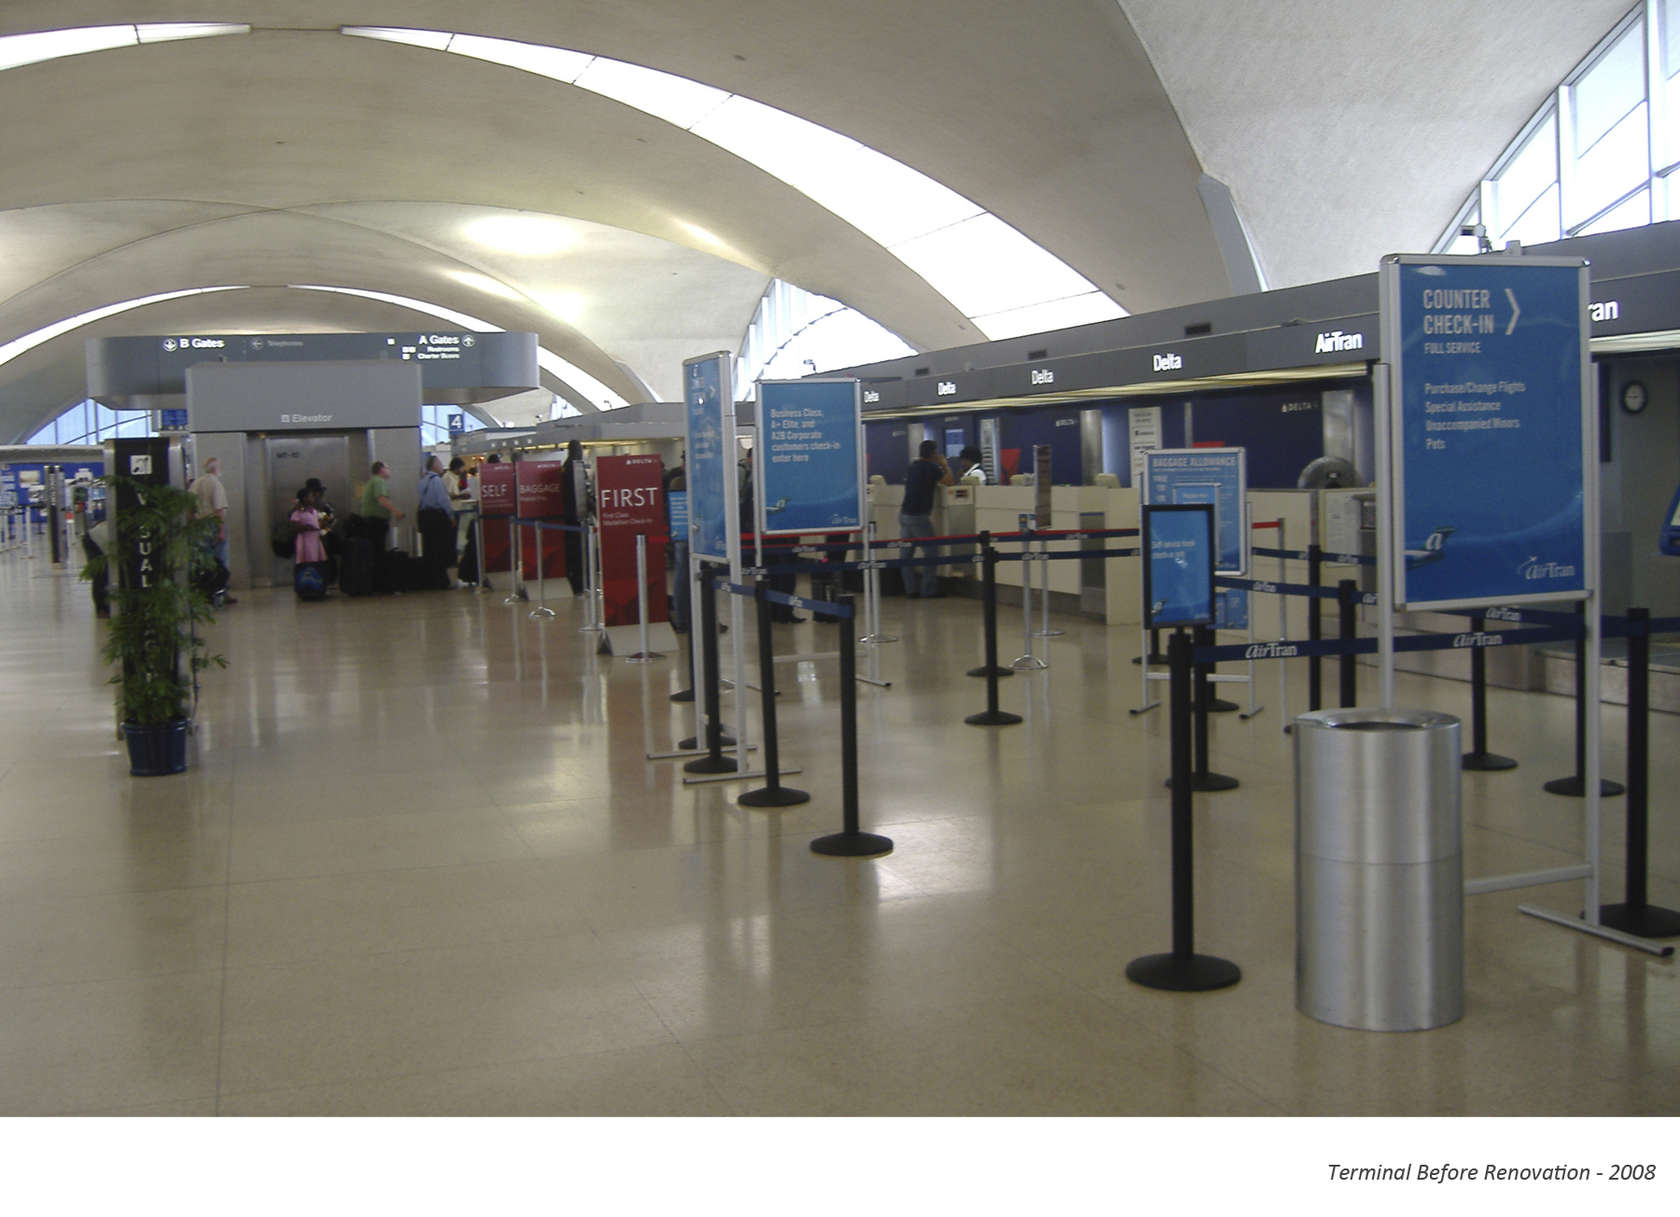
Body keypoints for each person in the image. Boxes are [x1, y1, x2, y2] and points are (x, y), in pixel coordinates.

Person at [899, 439, 953, 597]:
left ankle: (910, 590)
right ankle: (928, 590)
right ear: (933, 453)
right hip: (919, 516)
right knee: (931, 553)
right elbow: (949, 482)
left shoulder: (913, 467)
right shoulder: (932, 468)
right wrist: (944, 464)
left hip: (904, 514)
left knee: (906, 556)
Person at [190, 456, 235, 605]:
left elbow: (190, 508)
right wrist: (221, 530)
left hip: (198, 526)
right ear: (216, 469)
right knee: (220, 561)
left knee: (204, 561)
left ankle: (205, 591)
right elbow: (219, 509)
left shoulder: (195, 483)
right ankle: (221, 592)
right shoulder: (215, 483)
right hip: (213, 525)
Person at [357, 460, 404, 593]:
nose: (389, 470)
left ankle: (375, 583)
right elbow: (381, 499)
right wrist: (396, 512)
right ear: (381, 469)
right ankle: (380, 584)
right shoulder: (378, 481)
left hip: (370, 522)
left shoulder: (372, 481)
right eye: (387, 468)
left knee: (375, 552)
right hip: (376, 522)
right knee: (378, 552)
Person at [417, 454, 456, 590]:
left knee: (430, 549)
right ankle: (441, 580)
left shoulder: (422, 481)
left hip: (425, 518)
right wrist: (451, 516)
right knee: (440, 548)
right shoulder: (436, 480)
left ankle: (431, 579)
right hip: (437, 518)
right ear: (434, 465)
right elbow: (443, 500)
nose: (441, 466)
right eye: (439, 463)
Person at [560, 439, 590, 595]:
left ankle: (580, 582)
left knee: (576, 552)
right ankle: (579, 583)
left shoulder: (567, 467)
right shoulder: (574, 467)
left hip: (572, 517)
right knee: (577, 552)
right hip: (575, 518)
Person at [290, 484, 327, 567]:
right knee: (307, 563)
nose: (314, 498)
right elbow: (294, 526)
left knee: (316, 562)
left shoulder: (314, 511)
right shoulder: (298, 512)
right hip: (305, 541)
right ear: (304, 498)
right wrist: (306, 527)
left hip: (316, 541)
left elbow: (323, 521)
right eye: (311, 496)